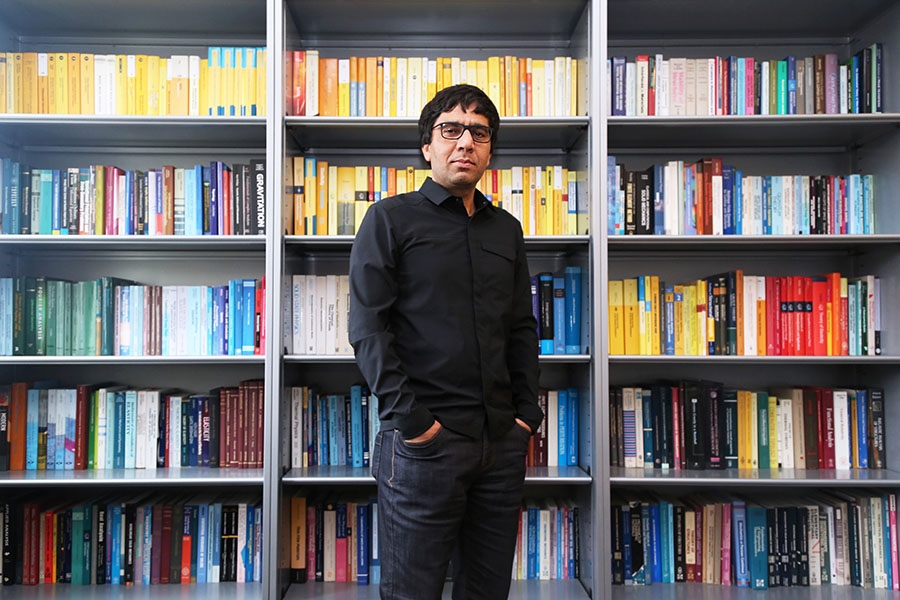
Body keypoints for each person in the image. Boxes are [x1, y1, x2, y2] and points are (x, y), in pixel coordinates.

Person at [349, 84, 543, 600]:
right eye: (450, 130)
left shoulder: (507, 230)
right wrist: (414, 424)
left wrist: (527, 414)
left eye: (479, 133)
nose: (465, 143)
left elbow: (521, 327)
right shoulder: (389, 219)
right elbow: (368, 328)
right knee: (413, 591)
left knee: (486, 591)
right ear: (427, 145)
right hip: (423, 447)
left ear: (490, 150)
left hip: (500, 443)